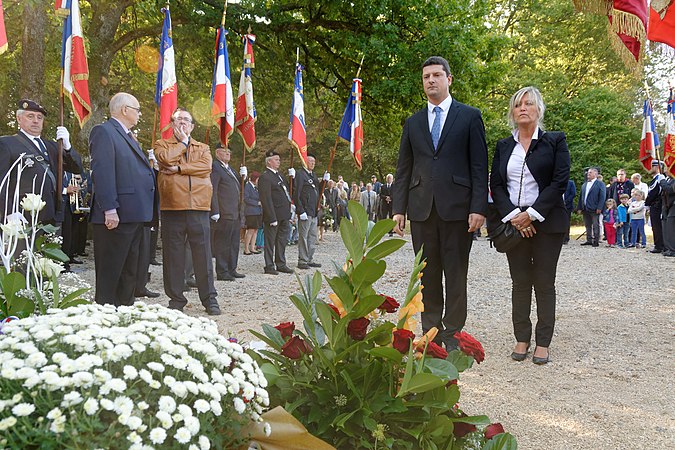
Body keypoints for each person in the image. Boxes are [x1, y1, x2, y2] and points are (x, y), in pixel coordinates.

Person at [392, 56, 488, 351]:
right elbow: (404, 168)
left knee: (456, 272)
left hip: (459, 210)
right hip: (422, 210)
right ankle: (431, 332)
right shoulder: (413, 122)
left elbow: (479, 166)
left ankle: (453, 334)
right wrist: (399, 208)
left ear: (449, 79)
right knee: (427, 273)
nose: (430, 80)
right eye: (426, 77)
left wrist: (478, 207)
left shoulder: (469, 116)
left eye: (436, 75)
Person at [489, 86, 570, 365]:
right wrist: (514, 215)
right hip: (514, 225)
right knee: (520, 283)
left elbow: (559, 182)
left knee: (544, 283)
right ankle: (522, 337)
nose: (523, 108)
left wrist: (532, 214)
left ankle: (543, 341)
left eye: (529, 103)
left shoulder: (555, 141)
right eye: (518, 104)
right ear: (513, 112)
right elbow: (496, 185)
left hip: (547, 222)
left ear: (539, 110)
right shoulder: (503, 146)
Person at [89, 93, 157, 306]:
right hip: (117, 215)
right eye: (137, 109)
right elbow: (103, 172)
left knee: (129, 270)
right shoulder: (105, 132)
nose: (139, 114)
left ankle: (124, 312)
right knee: (111, 271)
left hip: (133, 214)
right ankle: (106, 315)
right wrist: (109, 208)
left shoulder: (127, 135)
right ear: (124, 110)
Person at [153, 107, 220, 315]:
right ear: (173, 124)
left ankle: (209, 299)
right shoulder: (162, 144)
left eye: (186, 120)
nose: (182, 123)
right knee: (173, 256)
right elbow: (165, 160)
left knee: (203, 255)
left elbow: (206, 167)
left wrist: (180, 169)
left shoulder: (203, 147)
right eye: (178, 119)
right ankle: (176, 300)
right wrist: (182, 145)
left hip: (198, 207)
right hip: (172, 206)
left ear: (191, 126)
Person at [0, 99, 83, 226]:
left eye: (40, 117)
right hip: (23, 215)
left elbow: (76, 168)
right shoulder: (7, 144)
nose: (35, 121)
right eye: (30, 116)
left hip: (52, 214)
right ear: (19, 118)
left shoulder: (52, 146)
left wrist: (67, 146)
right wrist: (8, 211)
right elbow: (2, 182)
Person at [210, 145, 247, 281]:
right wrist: (215, 210)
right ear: (217, 153)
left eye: (229, 152)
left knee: (234, 243)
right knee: (223, 243)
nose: (228, 154)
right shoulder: (215, 167)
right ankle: (222, 271)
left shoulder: (230, 169)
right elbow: (213, 189)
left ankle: (232, 268)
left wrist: (244, 176)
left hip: (234, 212)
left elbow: (240, 186)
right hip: (224, 212)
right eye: (225, 151)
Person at [258, 150, 293, 275]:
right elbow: (266, 199)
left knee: (281, 241)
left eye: (279, 159)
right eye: (276, 159)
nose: (279, 162)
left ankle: (281, 263)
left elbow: (287, 193)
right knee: (270, 241)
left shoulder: (280, 176)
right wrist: (271, 217)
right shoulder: (265, 177)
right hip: (273, 215)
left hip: (283, 214)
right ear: (269, 161)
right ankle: (269, 265)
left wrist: (291, 178)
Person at [294, 153, 328, 270]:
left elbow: (317, 190)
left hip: (313, 211)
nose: (313, 164)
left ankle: (309, 258)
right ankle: (302, 260)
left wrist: (324, 181)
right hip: (305, 211)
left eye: (314, 162)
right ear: (305, 161)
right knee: (303, 236)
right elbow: (296, 193)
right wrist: (300, 210)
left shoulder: (312, 174)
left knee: (312, 236)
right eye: (310, 161)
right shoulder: (300, 174)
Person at [577, 167, 605, 247]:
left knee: (596, 225)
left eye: (590, 172)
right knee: (587, 225)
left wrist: (599, 207)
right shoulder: (585, 184)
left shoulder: (600, 184)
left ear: (595, 174)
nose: (588, 174)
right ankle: (589, 240)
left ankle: (596, 241)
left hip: (595, 208)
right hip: (585, 208)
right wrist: (579, 207)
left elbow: (602, 197)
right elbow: (581, 197)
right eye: (588, 172)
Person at [645, 160, 666, 253]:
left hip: (657, 205)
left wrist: (647, 203)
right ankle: (658, 244)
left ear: (657, 167)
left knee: (657, 226)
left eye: (653, 166)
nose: (651, 168)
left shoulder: (660, 178)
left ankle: (659, 246)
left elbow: (654, 193)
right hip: (654, 205)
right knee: (655, 226)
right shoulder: (655, 178)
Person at [243, 171, 262, 255]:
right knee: (250, 230)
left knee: (255, 230)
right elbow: (246, 199)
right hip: (251, 211)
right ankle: (246, 248)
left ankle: (253, 247)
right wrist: (256, 203)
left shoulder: (256, 187)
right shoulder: (248, 186)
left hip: (258, 211)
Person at [659, 167, 675, 257]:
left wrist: (662, 182)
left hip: (673, 206)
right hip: (667, 206)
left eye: (667, 169)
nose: (665, 171)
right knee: (667, 228)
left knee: (671, 229)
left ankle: (672, 249)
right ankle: (669, 248)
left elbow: (670, 190)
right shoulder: (669, 180)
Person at [563, 179, 576, 244]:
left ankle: (566, 238)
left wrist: (566, 201)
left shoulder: (570, 183)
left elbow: (573, 193)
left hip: (567, 206)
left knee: (566, 222)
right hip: (558, 205)